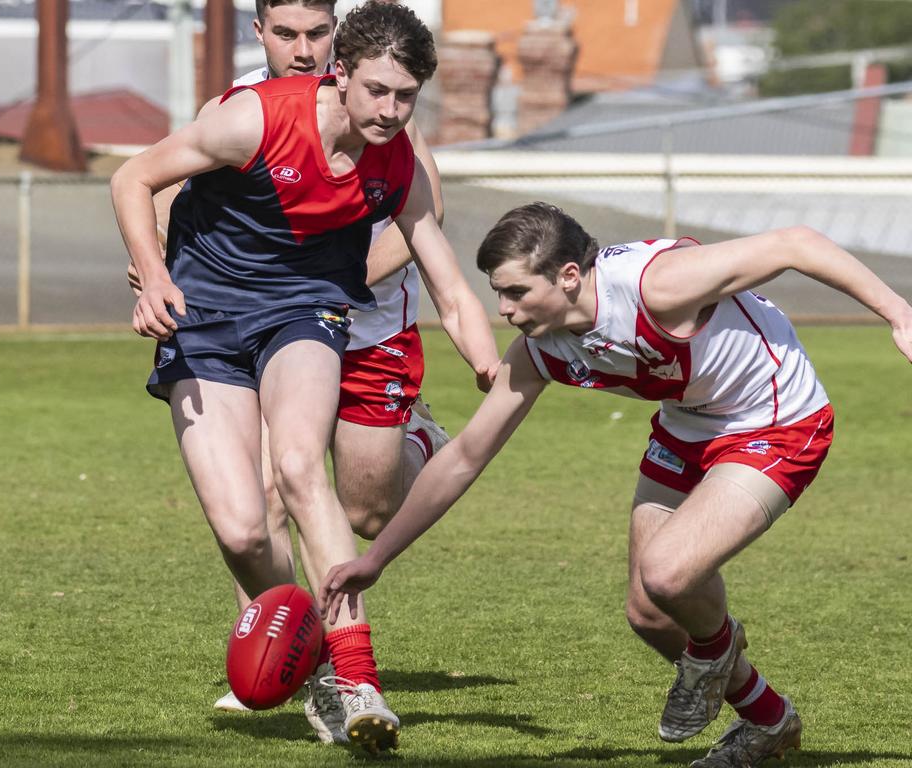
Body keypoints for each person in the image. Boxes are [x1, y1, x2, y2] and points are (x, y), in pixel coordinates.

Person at [320, 203, 912, 766]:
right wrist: (378, 556)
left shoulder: (659, 286)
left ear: (570, 275)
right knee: (650, 613)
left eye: (517, 291)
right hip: (687, 427)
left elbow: (796, 243)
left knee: (668, 573)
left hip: (776, 419)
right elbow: (465, 456)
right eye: (499, 291)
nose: (503, 308)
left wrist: (899, 313)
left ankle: (712, 651)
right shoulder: (539, 349)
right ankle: (768, 722)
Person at [111, 1, 499, 753]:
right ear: (342, 75)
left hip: (306, 312)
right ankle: (310, 652)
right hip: (206, 320)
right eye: (378, 91)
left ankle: (357, 681)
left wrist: (489, 362)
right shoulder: (251, 118)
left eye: (406, 96)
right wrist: (153, 276)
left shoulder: (399, 161)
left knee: (297, 467)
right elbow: (134, 177)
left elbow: (448, 283)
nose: (390, 111)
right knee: (241, 526)